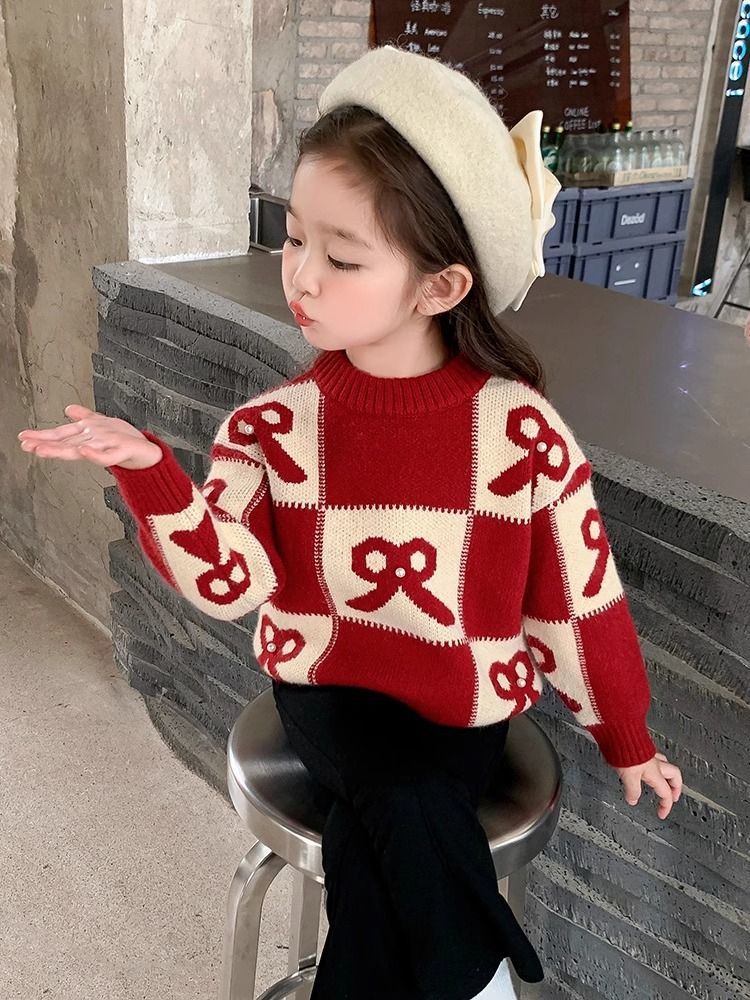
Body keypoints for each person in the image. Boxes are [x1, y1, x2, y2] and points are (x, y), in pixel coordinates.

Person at [17, 44, 682, 1000]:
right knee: (400, 800)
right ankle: (482, 980)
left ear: (440, 287)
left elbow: (574, 603)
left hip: (459, 711)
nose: (300, 277)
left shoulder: (519, 435)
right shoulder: (273, 429)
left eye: (341, 257)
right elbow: (231, 585)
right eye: (293, 239)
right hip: (327, 691)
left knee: (391, 826)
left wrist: (626, 733)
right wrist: (152, 474)